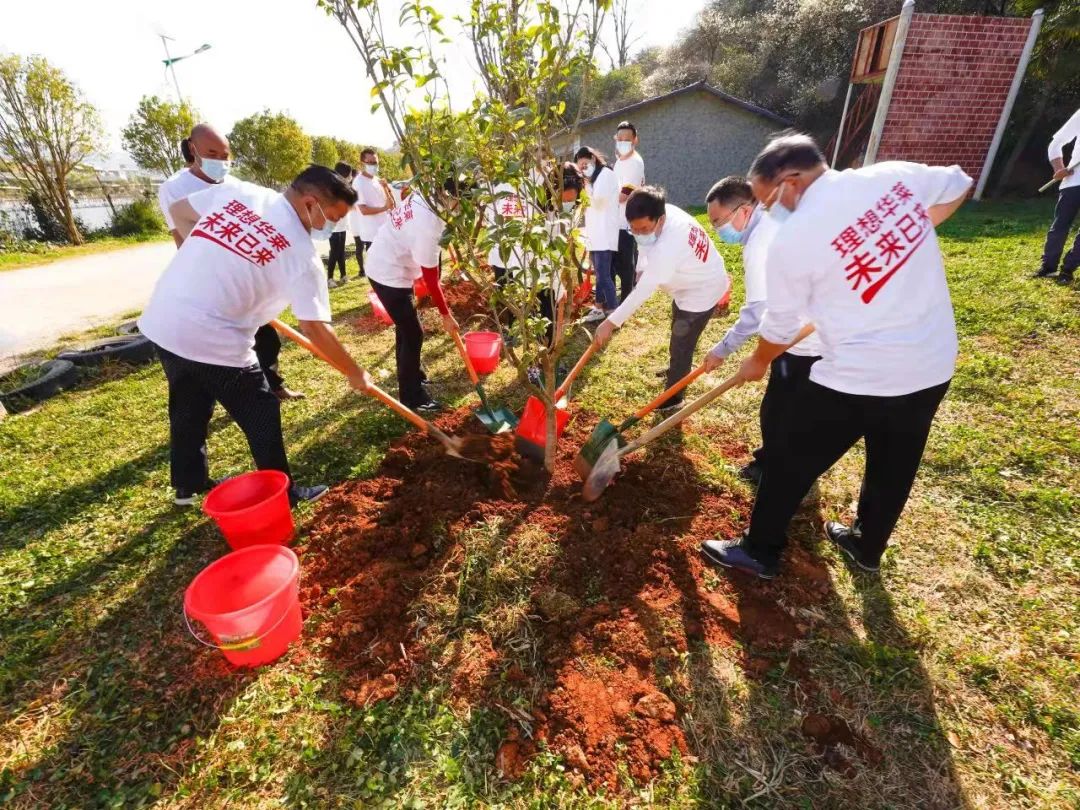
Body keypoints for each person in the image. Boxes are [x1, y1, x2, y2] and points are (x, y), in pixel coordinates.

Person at [701, 133, 972, 580]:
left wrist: (759, 361)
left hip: (860, 374)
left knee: (789, 459)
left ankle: (760, 550)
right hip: (933, 363)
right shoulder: (890, 177)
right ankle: (867, 546)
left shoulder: (796, 237)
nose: (769, 211)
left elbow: (782, 325)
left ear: (790, 181)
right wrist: (910, 234)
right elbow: (958, 183)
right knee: (893, 463)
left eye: (768, 200)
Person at [139, 165, 368, 507]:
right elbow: (315, 328)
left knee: (188, 402)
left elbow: (178, 212)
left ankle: (189, 485)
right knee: (261, 409)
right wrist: (355, 371)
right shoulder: (302, 255)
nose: (331, 227)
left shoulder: (241, 193)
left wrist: (213, 263)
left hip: (164, 320)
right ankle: (284, 493)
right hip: (215, 338)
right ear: (310, 203)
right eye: (332, 217)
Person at [157, 123, 304, 402]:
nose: (221, 162)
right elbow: (181, 237)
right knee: (227, 345)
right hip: (208, 281)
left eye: (225, 155)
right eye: (213, 153)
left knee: (267, 337)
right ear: (193, 149)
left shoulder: (234, 185)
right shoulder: (175, 188)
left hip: (246, 278)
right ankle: (234, 393)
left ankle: (274, 385)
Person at [702, 176, 824, 486]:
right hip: (805, 329)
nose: (718, 231)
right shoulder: (771, 225)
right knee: (792, 407)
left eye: (719, 222)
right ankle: (785, 463)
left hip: (803, 338)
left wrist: (722, 350)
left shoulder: (759, 244)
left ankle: (775, 468)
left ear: (743, 210)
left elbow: (756, 313)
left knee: (779, 410)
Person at [592, 185, 730, 413]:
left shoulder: (669, 245)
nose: (638, 233)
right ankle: (675, 368)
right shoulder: (664, 216)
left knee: (682, 343)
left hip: (702, 291)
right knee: (678, 328)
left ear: (660, 219)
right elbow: (644, 248)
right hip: (689, 283)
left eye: (644, 228)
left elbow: (643, 292)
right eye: (633, 229)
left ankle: (674, 397)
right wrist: (639, 268)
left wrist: (610, 323)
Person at [364, 177, 462, 413]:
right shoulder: (429, 227)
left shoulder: (425, 194)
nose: (462, 210)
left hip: (388, 261)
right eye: (462, 203)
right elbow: (431, 279)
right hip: (388, 273)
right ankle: (412, 396)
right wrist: (446, 315)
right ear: (451, 198)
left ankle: (412, 374)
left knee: (405, 326)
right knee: (413, 333)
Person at [1034, 106, 1080, 285]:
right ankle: (1048, 267)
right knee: (1060, 226)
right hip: (1074, 181)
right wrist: (1058, 168)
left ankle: (1068, 269)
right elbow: (1057, 142)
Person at [574, 146, 621, 323]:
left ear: (594, 158)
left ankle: (614, 313)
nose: (584, 169)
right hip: (596, 234)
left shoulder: (605, 175)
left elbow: (599, 204)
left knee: (604, 274)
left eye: (585, 164)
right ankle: (599, 307)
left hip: (604, 233)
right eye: (581, 167)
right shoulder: (594, 179)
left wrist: (585, 186)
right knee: (600, 273)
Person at [348, 148, 396, 279]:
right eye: (370, 162)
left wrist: (386, 188)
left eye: (375, 162)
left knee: (391, 270)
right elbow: (363, 210)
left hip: (385, 230)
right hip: (372, 234)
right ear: (362, 162)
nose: (374, 165)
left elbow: (391, 204)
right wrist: (383, 208)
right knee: (380, 273)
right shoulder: (359, 182)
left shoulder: (377, 180)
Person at [612, 120, 645, 303]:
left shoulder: (634, 162)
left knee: (625, 264)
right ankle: (628, 292)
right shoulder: (620, 162)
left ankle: (626, 300)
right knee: (624, 261)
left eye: (627, 139)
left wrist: (601, 200)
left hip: (626, 220)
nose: (623, 142)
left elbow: (623, 195)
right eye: (620, 139)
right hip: (618, 219)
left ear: (635, 140)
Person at [326, 161, 353, 287]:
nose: (350, 177)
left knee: (341, 251)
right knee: (334, 252)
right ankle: (330, 278)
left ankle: (343, 275)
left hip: (342, 224)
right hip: (333, 225)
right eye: (349, 175)